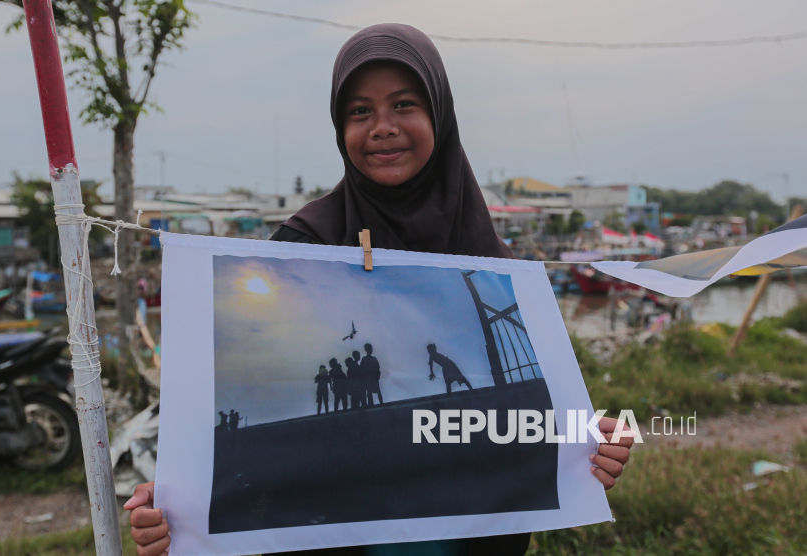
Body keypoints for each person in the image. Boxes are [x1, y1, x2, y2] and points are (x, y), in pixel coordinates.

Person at [127, 23, 633, 556]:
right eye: (359, 111)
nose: (382, 127)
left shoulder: (487, 256)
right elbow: (227, 390)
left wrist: (586, 440)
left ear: (439, 112)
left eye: (405, 105)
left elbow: (528, 396)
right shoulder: (302, 247)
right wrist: (179, 500)